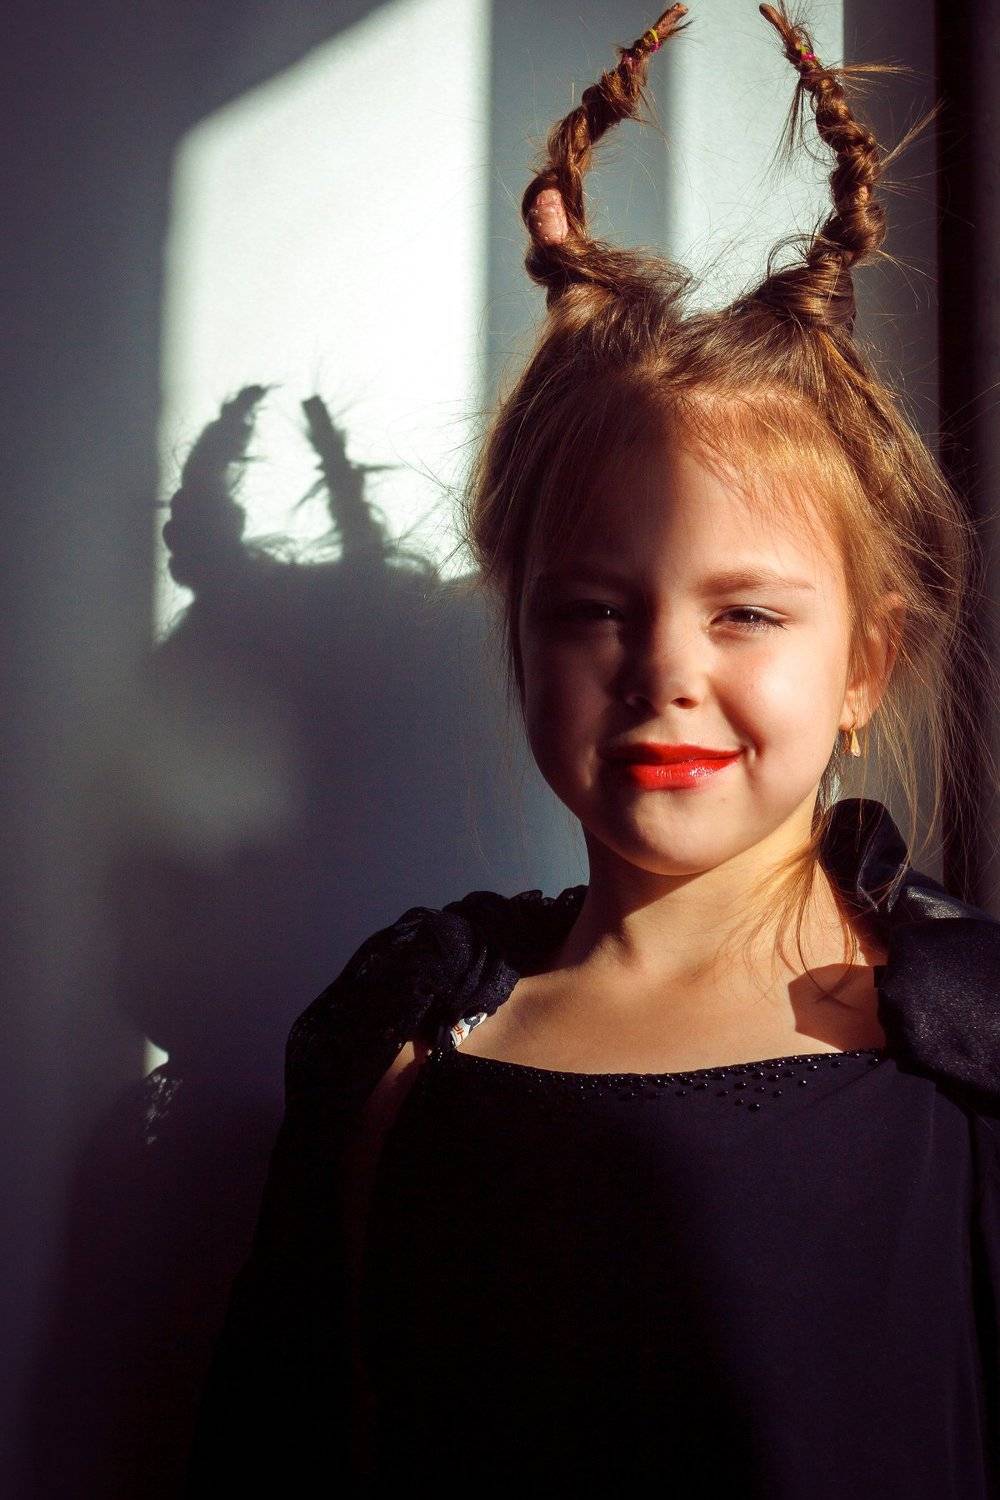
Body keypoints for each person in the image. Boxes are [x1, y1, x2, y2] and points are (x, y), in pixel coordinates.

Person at [183, 4, 1000, 1495]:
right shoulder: (406, 1045)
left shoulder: (964, 1057)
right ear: (524, 642)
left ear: (867, 664)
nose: (667, 671)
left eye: (745, 612)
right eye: (595, 611)